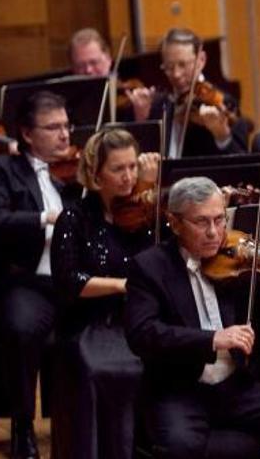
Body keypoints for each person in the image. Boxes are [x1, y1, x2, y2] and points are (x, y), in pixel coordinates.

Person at [124, 176, 260, 459]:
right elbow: (142, 334)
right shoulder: (149, 267)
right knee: (181, 447)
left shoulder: (240, 261)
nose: (214, 233)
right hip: (179, 391)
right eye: (202, 222)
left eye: (220, 220)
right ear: (175, 222)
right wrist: (212, 339)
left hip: (235, 388)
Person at [0, 90, 82, 459]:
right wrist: (45, 217)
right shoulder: (2, 170)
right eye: (53, 127)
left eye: (67, 126)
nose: (65, 135)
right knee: (22, 330)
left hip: (75, 282)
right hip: (28, 282)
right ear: (26, 133)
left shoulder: (75, 174)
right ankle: (23, 425)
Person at [49, 129, 159, 459]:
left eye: (132, 167)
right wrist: (124, 285)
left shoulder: (146, 213)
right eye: (118, 169)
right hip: (91, 323)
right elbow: (69, 281)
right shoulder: (74, 218)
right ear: (97, 174)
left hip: (138, 317)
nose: (128, 177)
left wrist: (151, 188)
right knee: (104, 369)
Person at [150, 28, 248, 157]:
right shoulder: (159, 105)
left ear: (201, 60)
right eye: (169, 66)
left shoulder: (224, 102)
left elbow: (241, 162)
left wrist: (222, 136)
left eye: (183, 65)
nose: (176, 74)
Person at [68, 28, 154, 123]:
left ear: (108, 59)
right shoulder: (70, 104)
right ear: (73, 68)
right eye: (80, 65)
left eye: (94, 62)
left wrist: (141, 117)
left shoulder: (129, 100)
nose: (88, 70)